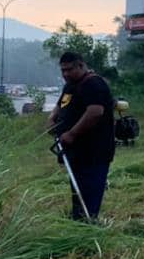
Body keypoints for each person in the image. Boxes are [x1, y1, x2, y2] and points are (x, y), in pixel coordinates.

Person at [47, 51, 115, 221]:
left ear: (81, 65)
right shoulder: (70, 86)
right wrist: (53, 118)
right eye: (63, 70)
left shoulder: (94, 84)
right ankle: (78, 220)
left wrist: (72, 133)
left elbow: (95, 112)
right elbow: (61, 105)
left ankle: (89, 222)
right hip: (74, 151)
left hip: (94, 150)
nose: (65, 74)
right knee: (77, 190)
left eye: (69, 69)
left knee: (90, 190)